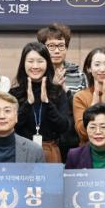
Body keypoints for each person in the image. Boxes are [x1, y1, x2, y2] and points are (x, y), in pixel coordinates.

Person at [10, 42, 70, 163]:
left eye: (40, 61)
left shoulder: (58, 92)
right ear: (23, 64)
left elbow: (64, 127)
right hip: (21, 151)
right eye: (30, 61)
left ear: (47, 63)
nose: (35, 66)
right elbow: (11, 125)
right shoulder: (14, 93)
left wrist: (47, 103)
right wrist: (28, 104)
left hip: (50, 152)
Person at [36, 23, 86, 161]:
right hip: (44, 140)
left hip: (71, 138)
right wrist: (53, 88)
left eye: (61, 46)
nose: (57, 51)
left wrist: (65, 91)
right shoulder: (36, 72)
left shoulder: (78, 75)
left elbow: (84, 108)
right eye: (51, 46)